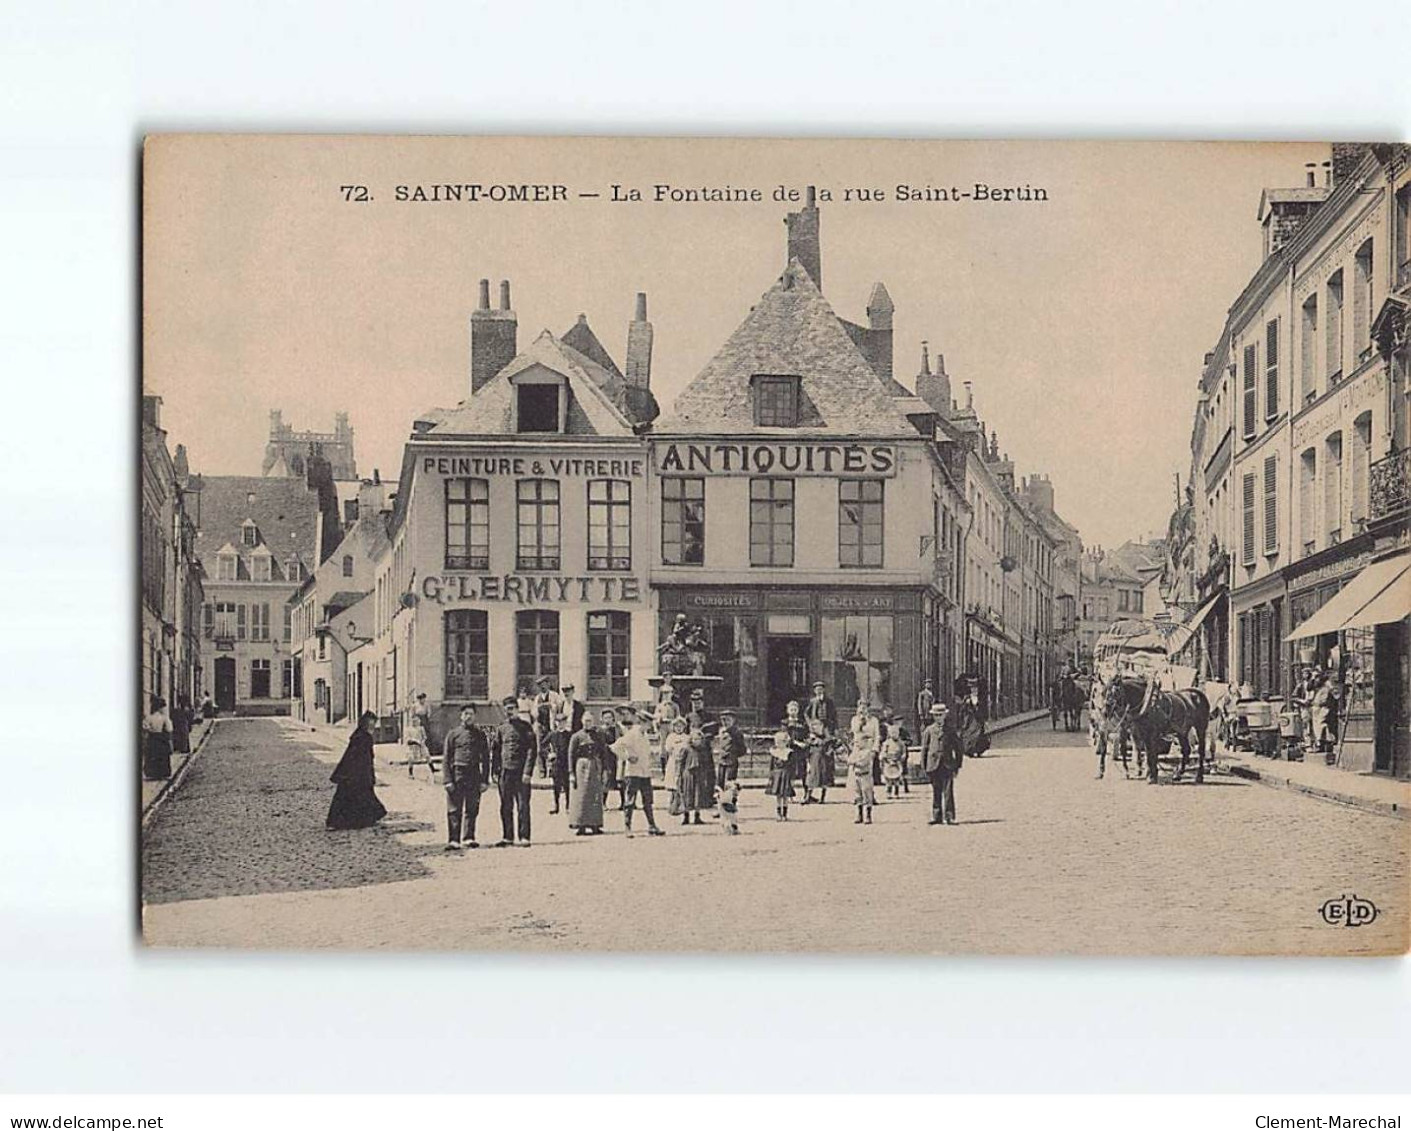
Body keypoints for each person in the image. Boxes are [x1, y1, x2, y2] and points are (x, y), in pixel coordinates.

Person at [326, 711, 387, 830]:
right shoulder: (365, 737)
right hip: (357, 772)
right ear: (366, 723)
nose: (373, 727)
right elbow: (365, 757)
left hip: (351, 771)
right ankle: (351, 821)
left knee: (350, 795)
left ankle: (340, 821)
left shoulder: (358, 735)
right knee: (358, 795)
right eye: (372, 724)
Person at [441, 704, 489, 850]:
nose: (468, 716)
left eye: (471, 714)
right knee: (454, 808)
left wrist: (484, 780)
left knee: (472, 808)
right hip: (457, 774)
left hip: (474, 774)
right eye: (466, 714)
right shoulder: (453, 734)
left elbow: (486, 759)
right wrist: (447, 780)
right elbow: (446, 758)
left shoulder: (480, 735)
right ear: (461, 716)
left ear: (475, 716)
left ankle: (469, 837)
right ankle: (453, 839)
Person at [490, 696, 537, 847]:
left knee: (523, 805)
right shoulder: (501, 728)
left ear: (517, 709)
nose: (508, 712)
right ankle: (507, 837)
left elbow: (532, 750)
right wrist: (495, 771)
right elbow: (496, 751)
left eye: (511, 709)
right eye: (506, 710)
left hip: (521, 772)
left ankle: (524, 837)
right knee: (505, 805)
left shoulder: (526, 727)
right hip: (505, 772)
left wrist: (528, 772)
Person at [614, 707, 665, 837]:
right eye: (647, 723)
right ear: (641, 722)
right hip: (633, 773)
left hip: (645, 772)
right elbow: (615, 746)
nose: (649, 725)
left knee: (648, 800)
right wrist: (627, 757)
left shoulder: (645, 735)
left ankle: (652, 826)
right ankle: (627, 827)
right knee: (630, 801)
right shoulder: (632, 734)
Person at [920, 701, 963, 825]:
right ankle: (936, 815)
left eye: (941, 715)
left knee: (948, 792)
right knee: (936, 791)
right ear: (933, 716)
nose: (938, 717)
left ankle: (949, 816)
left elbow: (958, 749)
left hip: (947, 764)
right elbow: (925, 749)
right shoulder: (929, 731)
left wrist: (957, 766)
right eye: (936, 715)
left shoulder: (950, 730)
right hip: (933, 764)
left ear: (945, 716)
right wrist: (924, 766)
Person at [567, 711, 607, 835]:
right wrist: (571, 773)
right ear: (581, 722)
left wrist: (604, 770)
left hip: (594, 766)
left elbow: (603, 753)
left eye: (590, 721)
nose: (587, 723)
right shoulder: (576, 736)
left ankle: (595, 824)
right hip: (581, 767)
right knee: (581, 795)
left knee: (595, 795)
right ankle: (581, 825)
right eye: (585, 721)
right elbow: (571, 755)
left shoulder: (598, 735)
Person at [678, 720, 715, 826]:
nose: (696, 741)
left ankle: (697, 816)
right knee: (687, 795)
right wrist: (679, 774)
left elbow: (707, 764)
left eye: (699, 739)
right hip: (688, 774)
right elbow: (681, 763)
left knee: (698, 795)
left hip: (700, 774)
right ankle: (686, 816)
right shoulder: (686, 749)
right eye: (694, 739)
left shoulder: (703, 750)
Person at [804, 717, 838, 804]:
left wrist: (828, 750)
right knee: (811, 777)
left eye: (818, 725)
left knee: (824, 777)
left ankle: (822, 797)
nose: (816, 727)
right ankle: (808, 796)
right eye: (813, 725)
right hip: (814, 760)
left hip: (824, 760)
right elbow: (807, 748)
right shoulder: (811, 738)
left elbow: (832, 745)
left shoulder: (827, 739)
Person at [662, 716, 691, 817]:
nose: (679, 728)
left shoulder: (686, 737)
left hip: (683, 762)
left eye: (681, 726)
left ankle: (681, 805)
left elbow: (688, 748)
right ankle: (673, 805)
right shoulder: (671, 737)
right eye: (676, 726)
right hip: (673, 761)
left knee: (681, 783)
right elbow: (668, 748)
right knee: (673, 783)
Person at [847, 728, 876, 825]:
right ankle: (859, 814)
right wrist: (853, 761)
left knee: (867, 794)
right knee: (857, 795)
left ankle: (868, 815)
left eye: (859, 742)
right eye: (855, 742)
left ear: (865, 742)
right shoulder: (855, 752)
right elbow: (849, 760)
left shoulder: (867, 752)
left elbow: (862, 763)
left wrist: (854, 761)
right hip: (856, 775)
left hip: (865, 776)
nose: (857, 744)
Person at [546, 712, 573, 814]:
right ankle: (556, 806)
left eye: (563, 722)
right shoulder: (552, 734)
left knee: (567, 786)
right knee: (556, 786)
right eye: (559, 722)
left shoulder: (569, 735)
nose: (561, 724)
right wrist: (549, 754)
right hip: (556, 763)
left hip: (566, 763)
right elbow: (542, 746)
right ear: (556, 723)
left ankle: (568, 807)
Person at [714, 708, 747, 791]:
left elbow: (742, 749)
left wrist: (733, 754)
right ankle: (721, 800)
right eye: (723, 720)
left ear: (733, 720)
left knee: (730, 783)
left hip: (731, 762)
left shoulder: (736, 733)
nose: (725, 723)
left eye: (728, 720)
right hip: (722, 761)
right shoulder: (722, 731)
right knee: (720, 783)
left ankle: (731, 800)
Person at [142, 696, 174, 781]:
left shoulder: (149, 717)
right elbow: (169, 729)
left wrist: (150, 730)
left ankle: (152, 773)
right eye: (163, 707)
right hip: (161, 738)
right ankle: (162, 773)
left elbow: (145, 727)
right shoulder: (164, 718)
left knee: (152, 755)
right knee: (162, 756)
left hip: (152, 738)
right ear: (160, 708)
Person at [765, 729, 795, 821]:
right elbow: (771, 766)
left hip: (785, 774)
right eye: (777, 742)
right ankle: (778, 813)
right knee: (778, 795)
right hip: (777, 775)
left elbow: (792, 766)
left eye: (781, 742)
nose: (778, 744)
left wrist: (792, 778)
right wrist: (771, 777)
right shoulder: (774, 753)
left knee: (785, 795)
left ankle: (785, 814)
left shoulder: (789, 753)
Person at [406, 691, 432, 778]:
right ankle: (410, 772)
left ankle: (432, 768)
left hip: (424, 720)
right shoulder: (415, 706)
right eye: (421, 698)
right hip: (413, 744)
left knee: (426, 752)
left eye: (423, 698)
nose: (422, 700)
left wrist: (422, 741)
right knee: (411, 757)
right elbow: (412, 714)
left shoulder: (426, 705)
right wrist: (415, 719)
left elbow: (428, 713)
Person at [880, 728, 907, 799]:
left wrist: (902, 757)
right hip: (888, 762)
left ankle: (896, 793)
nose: (894, 735)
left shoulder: (901, 743)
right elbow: (883, 752)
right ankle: (888, 793)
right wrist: (885, 758)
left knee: (896, 780)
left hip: (897, 762)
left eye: (895, 733)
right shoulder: (887, 743)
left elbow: (904, 752)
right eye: (892, 733)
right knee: (888, 780)